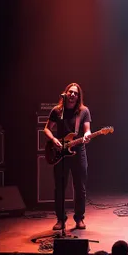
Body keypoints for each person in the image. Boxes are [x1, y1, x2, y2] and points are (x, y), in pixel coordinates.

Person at [44, 82, 91, 230]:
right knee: (59, 188)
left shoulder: (83, 111)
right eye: (70, 92)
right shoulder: (57, 111)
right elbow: (47, 128)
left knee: (80, 187)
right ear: (65, 93)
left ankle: (79, 218)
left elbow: (87, 130)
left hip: (78, 152)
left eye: (75, 93)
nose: (72, 95)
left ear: (79, 97)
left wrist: (88, 135)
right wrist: (53, 140)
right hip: (60, 153)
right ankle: (60, 219)